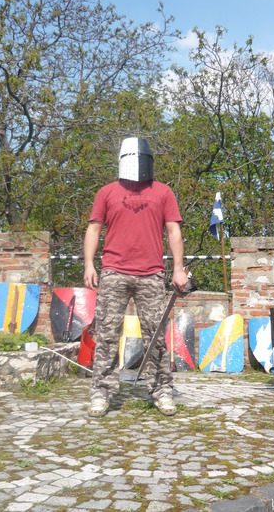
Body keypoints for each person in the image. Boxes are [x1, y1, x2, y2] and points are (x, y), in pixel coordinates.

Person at [83, 137, 188, 417]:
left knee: (155, 337)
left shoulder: (163, 192)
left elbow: (173, 230)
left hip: (151, 274)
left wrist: (178, 268)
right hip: (114, 272)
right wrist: (88, 264)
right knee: (106, 334)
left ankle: (162, 390)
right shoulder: (106, 192)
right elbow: (94, 228)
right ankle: (101, 392)